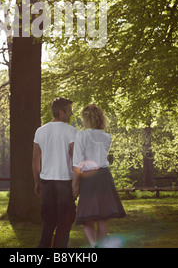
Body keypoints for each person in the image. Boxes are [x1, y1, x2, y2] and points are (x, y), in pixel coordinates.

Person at [72, 103, 126, 248]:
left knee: (87, 219)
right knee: (103, 218)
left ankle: (93, 244)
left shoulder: (81, 135)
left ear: (87, 118)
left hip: (89, 178)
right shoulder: (107, 137)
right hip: (104, 177)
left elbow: (78, 162)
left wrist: (74, 183)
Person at [32, 97, 77, 248]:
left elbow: (35, 160)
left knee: (48, 223)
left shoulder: (40, 131)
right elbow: (75, 159)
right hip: (64, 183)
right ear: (61, 111)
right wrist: (76, 184)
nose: (71, 114)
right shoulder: (71, 131)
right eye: (69, 110)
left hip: (47, 183)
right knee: (64, 223)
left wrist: (37, 182)